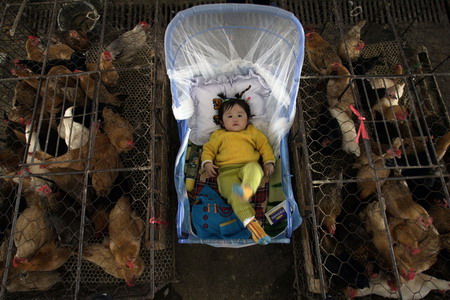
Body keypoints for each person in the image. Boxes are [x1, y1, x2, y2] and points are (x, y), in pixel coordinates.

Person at [201, 96, 275, 245]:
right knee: (235, 196)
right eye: (229, 116)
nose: (235, 119)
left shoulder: (252, 132)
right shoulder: (218, 135)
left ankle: (247, 190)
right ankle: (254, 227)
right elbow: (208, 149)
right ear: (222, 122)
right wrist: (207, 163)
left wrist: (268, 162)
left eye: (240, 115)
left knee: (255, 169)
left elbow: (264, 146)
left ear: (247, 119)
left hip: (248, 166)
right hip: (226, 172)